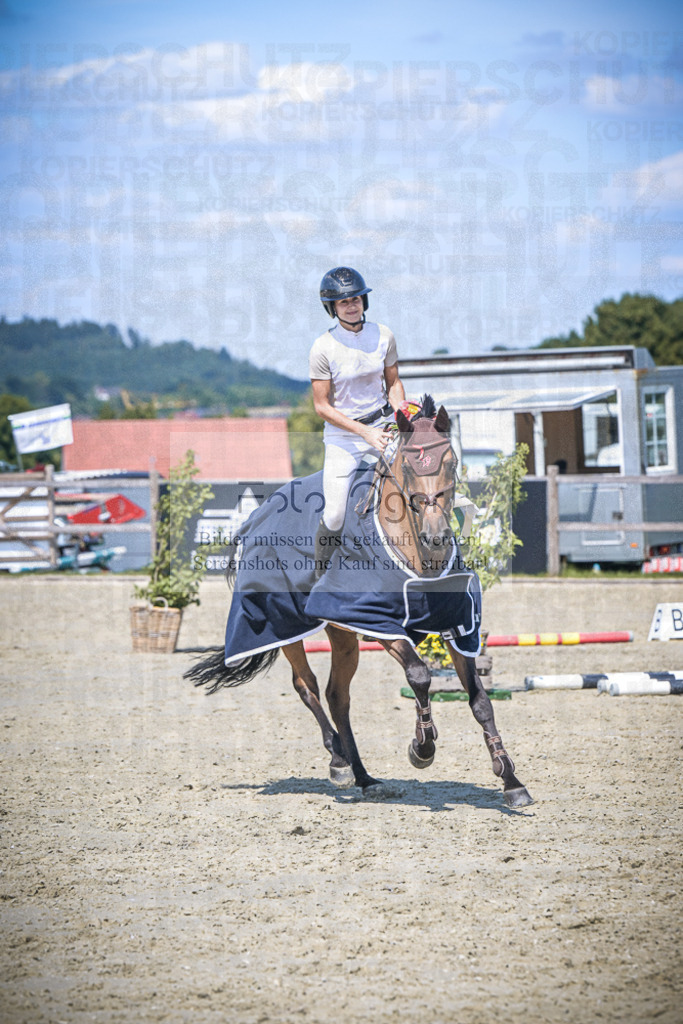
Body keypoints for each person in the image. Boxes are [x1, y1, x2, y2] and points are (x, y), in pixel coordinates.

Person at [309, 266, 406, 577]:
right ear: (332, 308)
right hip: (344, 436)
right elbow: (322, 407)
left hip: (384, 427)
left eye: (356, 299)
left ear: (364, 301)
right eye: (343, 302)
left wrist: (403, 415)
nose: (351, 305)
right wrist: (365, 433)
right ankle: (320, 578)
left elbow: (393, 383)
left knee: (423, 482)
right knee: (335, 514)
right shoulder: (323, 347)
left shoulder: (384, 335)